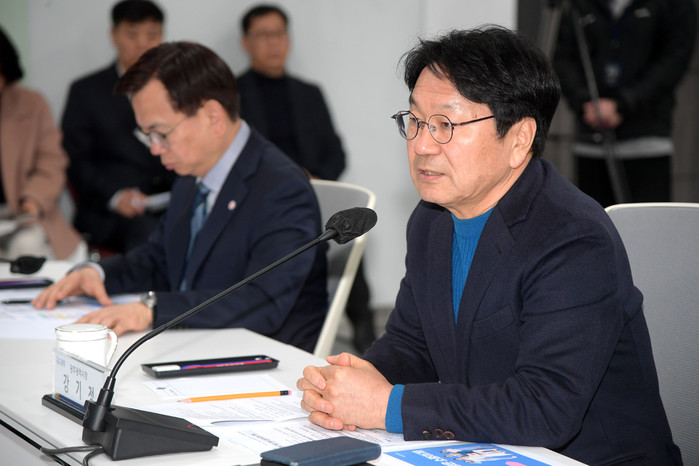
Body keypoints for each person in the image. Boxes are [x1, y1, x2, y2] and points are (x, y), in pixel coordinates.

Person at [297, 26, 680, 465]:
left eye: (445, 124)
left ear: (518, 139)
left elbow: (544, 408)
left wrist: (386, 406)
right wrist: (348, 383)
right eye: (415, 121)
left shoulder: (573, 239)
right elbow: (412, 344)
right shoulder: (432, 220)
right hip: (491, 450)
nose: (421, 145)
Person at [34, 41, 328, 353]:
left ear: (213, 117)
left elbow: (262, 301)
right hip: (193, 345)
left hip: (262, 360)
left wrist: (152, 310)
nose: (154, 148)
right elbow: (160, 259)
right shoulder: (191, 176)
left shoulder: (282, 188)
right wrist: (97, 273)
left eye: (161, 133)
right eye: (146, 135)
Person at [238, 4, 375, 353]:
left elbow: (336, 153)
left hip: (312, 193)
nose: (273, 42)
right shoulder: (232, 96)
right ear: (245, 42)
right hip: (262, 201)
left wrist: (312, 178)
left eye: (279, 34)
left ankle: (363, 325)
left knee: (345, 233)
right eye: (263, 35)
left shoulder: (308, 93)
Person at [553, 0, 697, 207]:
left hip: (647, 139)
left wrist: (624, 103)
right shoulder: (578, 5)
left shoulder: (672, 5)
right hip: (591, 139)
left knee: (646, 223)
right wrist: (586, 101)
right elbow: (562, 57)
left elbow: (674, 58)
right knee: (592, 219)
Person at [61, 0, 175, 253]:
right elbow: (74, 160)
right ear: (113, 35)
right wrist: (115, 196)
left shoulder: (178, 89)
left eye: (152, 35)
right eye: (132, 35)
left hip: (171, 204)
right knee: (152, 236)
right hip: (111, 212)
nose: (142, 44)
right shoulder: (86, 92)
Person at [0, 26, 86, 262]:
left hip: (21, 214)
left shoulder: (31, 104)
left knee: (27, 246)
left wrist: (32, 201)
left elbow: (52, 161)